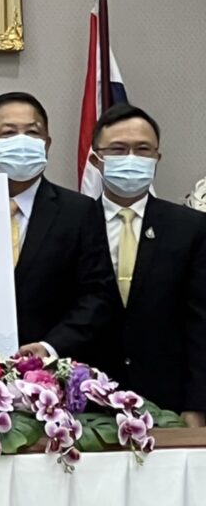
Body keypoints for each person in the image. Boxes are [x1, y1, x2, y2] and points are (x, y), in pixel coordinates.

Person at [0, 92, 121, 365]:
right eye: (9, 133)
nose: (22, 142)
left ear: (46, 144)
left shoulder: (79, 212)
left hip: (51, 371)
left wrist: (50, 347)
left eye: (33, 133)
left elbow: (97, 297)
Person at [89, 104, 206, 423]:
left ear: (157, 158)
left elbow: (201, 323)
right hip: (87, 403)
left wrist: (198, 404)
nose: (131, 158)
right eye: (118, 149)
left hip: (170, 403)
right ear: (96, 160)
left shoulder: (190, 227)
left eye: (143, 150)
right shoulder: (74, 223)